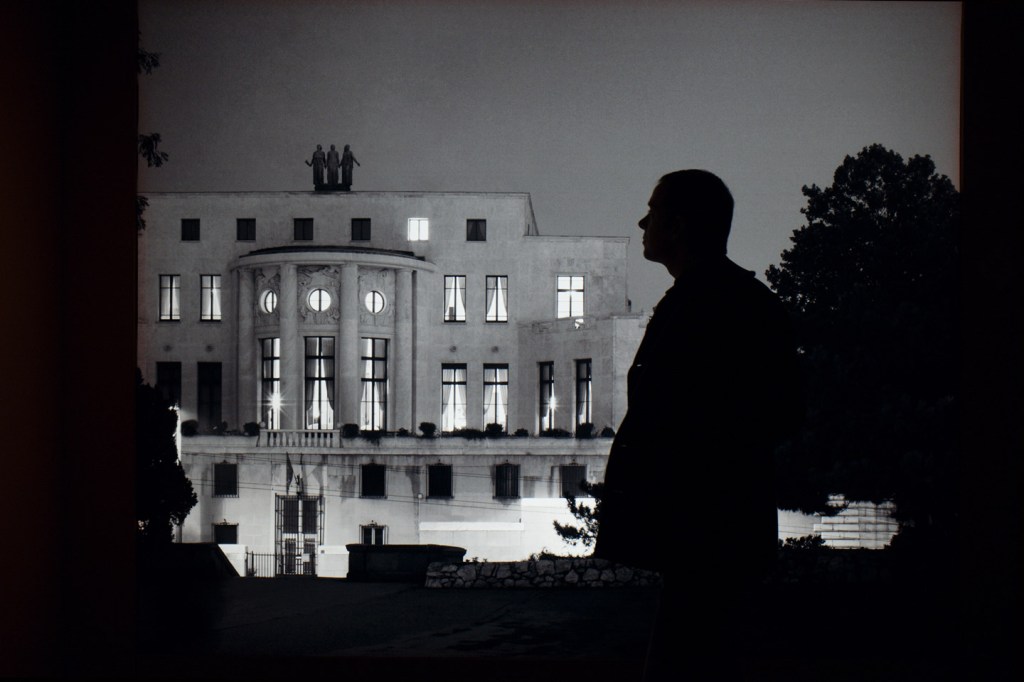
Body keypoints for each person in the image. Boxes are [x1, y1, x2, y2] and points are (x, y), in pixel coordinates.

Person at [594, 170, 803, 680]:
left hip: (706, 536)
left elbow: (723, 417)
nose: (643, 222)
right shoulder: (721, 300)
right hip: (710, 534)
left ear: (680, 225)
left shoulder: (714, 305)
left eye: (653, 211)